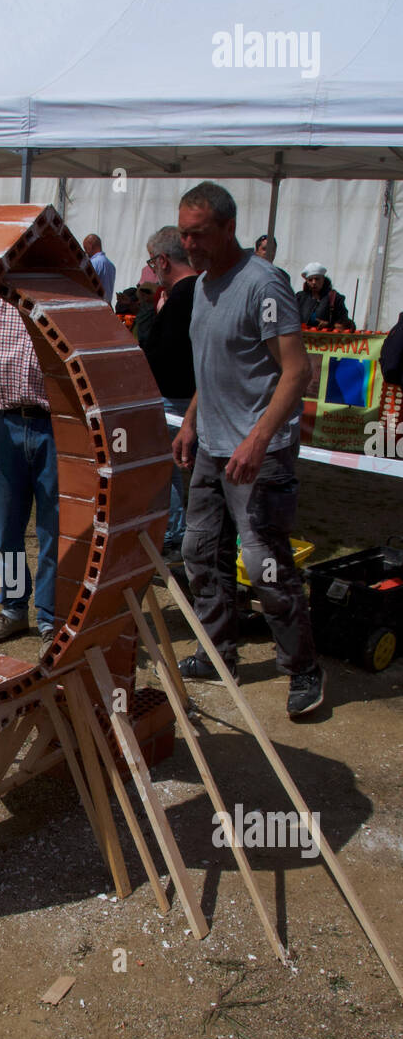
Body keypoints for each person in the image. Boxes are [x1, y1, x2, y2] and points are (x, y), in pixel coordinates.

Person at [173, 180, 325, 719]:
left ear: (228, 227)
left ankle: (304, 669)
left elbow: (297, 370)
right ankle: (218, 654)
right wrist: (191, 420)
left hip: (260, 454)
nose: (188, 245)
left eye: (198, 234)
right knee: (198, 553)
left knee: (264, 566)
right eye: (183, 235)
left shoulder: (263, 285)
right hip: (213, 450)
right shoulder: (202, 286)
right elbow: (212, 367)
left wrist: (258, 439)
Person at [0, 297, 58, 660]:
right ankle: (14, 611)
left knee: (55, 529)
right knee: (7, 528)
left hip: (57, 427)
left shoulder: (59, 301)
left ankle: (52, 620)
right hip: (1, 423)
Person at [142, 226, 198, 555]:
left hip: (174, 398)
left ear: (163, 260)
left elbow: (160, 353)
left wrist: (154, 313)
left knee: (166, 469)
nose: (152, 270)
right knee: (173, 468)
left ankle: (175, 534)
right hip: (187, 396)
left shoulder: (181, 297)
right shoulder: (201, 290)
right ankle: (177, 532)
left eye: (152, 262)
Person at [296, 263, 353, 330]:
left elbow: (343, 321)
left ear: (323, 279)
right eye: (310, 280)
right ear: (307, 282)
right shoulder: (300, 297)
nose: (314, 282)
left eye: (317, 279)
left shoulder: (335, 298)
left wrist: (329, 324)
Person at [82, 234, 116, 303]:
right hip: (107, 305)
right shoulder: (111, 265)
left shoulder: (92, 264)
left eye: (85, 248)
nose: (85, 252)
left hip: (95, 304)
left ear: (90, 246)